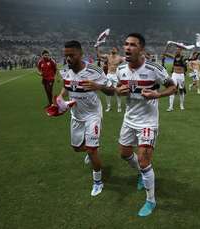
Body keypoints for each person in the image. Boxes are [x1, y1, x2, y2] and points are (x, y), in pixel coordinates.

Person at [115, 33, 176, 216]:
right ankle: (142, 175)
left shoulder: (154, 69)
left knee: (143, 161)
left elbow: (173, 87)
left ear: (141, 49)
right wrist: (119, 91)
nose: (127, 48)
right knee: (124, 153)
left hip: (147, 122)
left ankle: (151, 201)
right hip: (129, 119)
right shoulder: (121, 69)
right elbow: (119, 87)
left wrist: (157, 95)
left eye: (132, 45)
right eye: (126, 44)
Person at [56, 40, 115, 196]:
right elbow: (66, 86)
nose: (68, 58)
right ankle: (91, 149)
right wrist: (61, 98)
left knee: (91, 149)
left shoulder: (95, 71)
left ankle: (98, 182)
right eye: (66, 55)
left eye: (72, 55)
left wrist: (99, 86)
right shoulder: (65, 71)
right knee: (76, 148)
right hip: (76, 115)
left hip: (92, 115)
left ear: (81, 54)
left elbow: (111, 90)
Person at [96, 46, 125, 112]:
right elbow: (99, 56)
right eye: (112, 48)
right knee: (108, 92)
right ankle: (108, 107)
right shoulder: (108, 56)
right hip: (109, 75)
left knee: (118, 91)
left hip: (116, 75)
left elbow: (127, 61)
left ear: (117, 51)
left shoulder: (119, 58)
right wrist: (97, 48)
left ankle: (119, 107)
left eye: (114, 48)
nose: (112, 49)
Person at [163, 45, 189, 111]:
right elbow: (165, 53)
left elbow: (187, 63)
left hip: (181, 75)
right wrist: (167, 46)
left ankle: (181, 105)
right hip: (174, 75)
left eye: (178, 50)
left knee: (181, 90)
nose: (177, 51)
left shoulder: (183, 58)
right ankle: (170, 107)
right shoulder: (174, 57)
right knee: (172, 89)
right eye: (176, 50)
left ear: (181, 51)